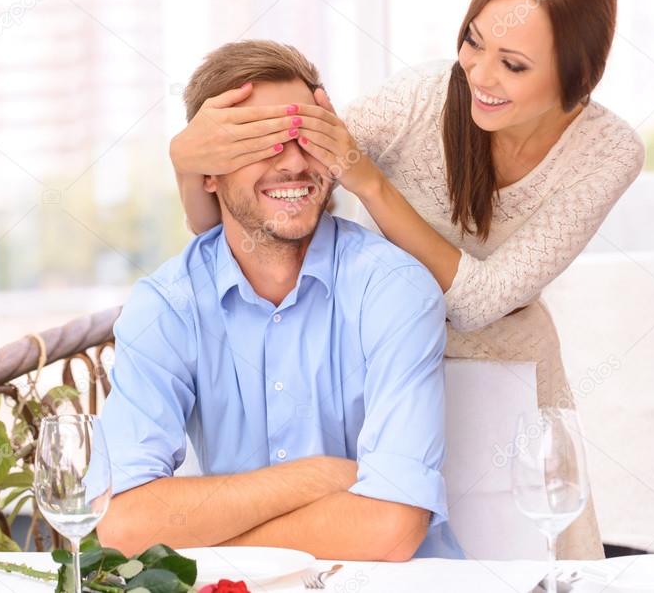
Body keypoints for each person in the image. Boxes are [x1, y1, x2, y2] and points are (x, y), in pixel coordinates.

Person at [168, 0, 647, 559]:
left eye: (515, 65)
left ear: (577, 76)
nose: (479, 75)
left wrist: (369, 181)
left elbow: (481, 303)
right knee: (380, 554)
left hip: (510, 385)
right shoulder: (423, 98)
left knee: (529, 560)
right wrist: (188, 164)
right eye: (473, 42)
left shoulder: (607, 151)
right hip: (389, 375)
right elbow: (244, 222)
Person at [97, 40, 461, 561]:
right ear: (207, 172)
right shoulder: (167, 305)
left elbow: (390, 528)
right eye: (258, 141)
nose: (293, 162)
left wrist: (202, 540)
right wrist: (318, 477)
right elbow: (119, 524)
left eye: (306, 137)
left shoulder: (393, 288)